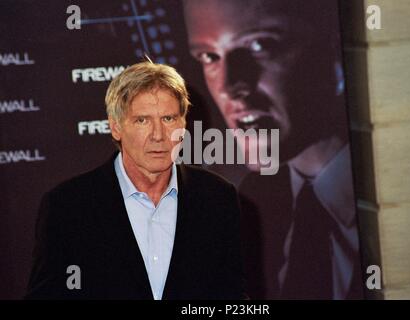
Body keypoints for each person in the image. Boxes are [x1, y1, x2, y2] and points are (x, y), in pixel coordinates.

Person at [183, 0, 363, 299]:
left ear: (333, 50)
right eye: (209, 56)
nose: (229, 86)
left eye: (258, 45)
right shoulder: (249, 208)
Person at [25, 61, 244, 300]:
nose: (158, 135)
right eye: (142, 120)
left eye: (169, 119)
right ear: (116, 127)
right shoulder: (68, 207)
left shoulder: (218, 198)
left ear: (183, 124)